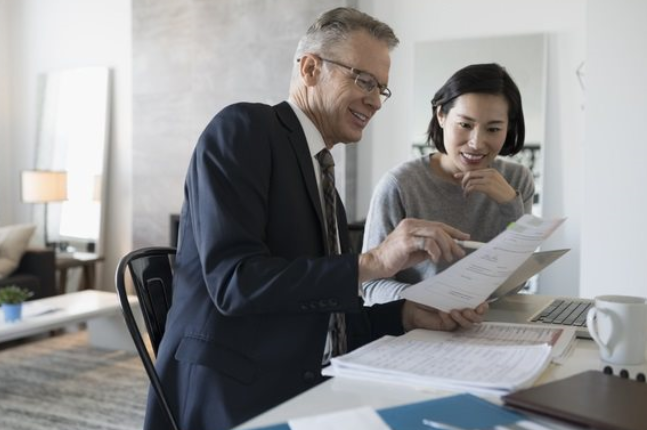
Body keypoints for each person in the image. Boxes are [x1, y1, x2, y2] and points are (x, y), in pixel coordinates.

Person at [145, 8, 487, 430]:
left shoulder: (322, 178)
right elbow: (236, 283)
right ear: (309, 68)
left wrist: (407, 314)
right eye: (364, 81)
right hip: (235, 397)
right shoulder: (245, 128)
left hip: (315, 386)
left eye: (382, 88)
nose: (376, 100)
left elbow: (327, 316)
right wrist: (374, 262)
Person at [361, 63, 535, 305]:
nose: (476, 143)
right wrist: (429, 305)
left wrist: (510, 206)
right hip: (420, 330)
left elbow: (517, 284)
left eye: (493, 129)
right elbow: (370, 285)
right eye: (465, 125)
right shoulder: (399, 185)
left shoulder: (517, 182)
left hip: (492, 325)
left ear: (508, 129)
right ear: (441, 115)